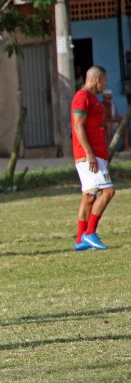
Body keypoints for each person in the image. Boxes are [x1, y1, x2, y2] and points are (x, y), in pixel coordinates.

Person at [71, 66, 115, 251]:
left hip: (97, 154)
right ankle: (90, 233)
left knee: (89, 197)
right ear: (97, 79)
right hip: (89, 154)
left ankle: (80, 240)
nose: (105, 84)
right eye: (104, 81)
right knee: (108, 192)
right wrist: (89, 153)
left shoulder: (93, 99)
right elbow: (78, 126)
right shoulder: (82, 97)